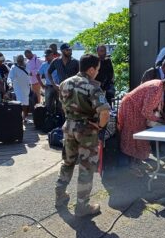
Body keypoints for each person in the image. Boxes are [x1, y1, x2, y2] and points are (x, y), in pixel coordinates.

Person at [55, 54, 110, 217]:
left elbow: (64, 106)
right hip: (86, 131)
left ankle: (60, 195)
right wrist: (99, 126)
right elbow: (105, 113)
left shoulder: (65, 83)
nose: (98, 73)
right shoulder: (92, 87)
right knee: (86, 168)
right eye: (97, 70)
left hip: (69, 127)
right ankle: (82, 206)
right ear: (91, 69)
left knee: (68, 162)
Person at [118, 74, 165, 175]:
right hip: (131, 108)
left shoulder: (159, 85)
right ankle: (131, 166)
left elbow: (156, 106)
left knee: (140, 137)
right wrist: (162, 121)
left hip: (136, 108)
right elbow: (146, 112)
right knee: (134, 136)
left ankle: (138, 161)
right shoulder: (156, 89)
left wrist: (164, 115)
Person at [8, 54, 31, 123]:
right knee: (20, 102)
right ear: (17, 61)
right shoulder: (14, 67)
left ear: (23, 60)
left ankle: (25, 117)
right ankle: (20, 117)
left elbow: (29, 73)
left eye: (21, 60)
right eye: (19, 60)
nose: (20, 61)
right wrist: (9, 83)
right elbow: (10, 77)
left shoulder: (27, 65)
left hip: (26, 87)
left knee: (26, 103)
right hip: (18, 87)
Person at [37, 48, 60, 114]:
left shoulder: (58, 63)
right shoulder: (44, 65)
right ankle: (50, 119)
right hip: (48, 87)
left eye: (47, 55)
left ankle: (59, 119)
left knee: (59, 104)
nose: (46, 57)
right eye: (45, 56)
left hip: (58, 86)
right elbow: (38, 75)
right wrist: (41, 84)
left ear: (52, 55)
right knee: (49, 104)